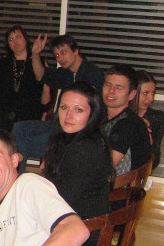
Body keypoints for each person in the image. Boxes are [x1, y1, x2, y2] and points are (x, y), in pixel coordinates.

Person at [12, 33, 104, 172]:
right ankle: (16, 175)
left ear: (76, 51)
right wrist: (35, 54)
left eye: (63, 52)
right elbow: (41, 75)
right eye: (56, 55)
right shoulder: (66, 73)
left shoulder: (92, 73)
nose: (60, 58)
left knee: (24, 142)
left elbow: (96, 112)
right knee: (20, 128)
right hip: (58, 124)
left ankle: (18, 174)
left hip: (76, 130)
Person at [42, 82, 114, 246]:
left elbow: (62, 200)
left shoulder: (83, 150)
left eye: (78, 110)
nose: (69, 116)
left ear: (92, 114)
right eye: (64, 108)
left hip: (81, 233)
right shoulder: (78, 138)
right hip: (75, 221)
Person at [0, 25, 49, 131]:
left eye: (18, 37)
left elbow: (46, 91)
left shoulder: (39, 61)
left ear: (25, 39)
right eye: (11, 39)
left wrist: (44, 113)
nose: (15, 41)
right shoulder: (3, 62)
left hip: (29, 113)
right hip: (3, 112)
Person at [101, 64, 151, 176]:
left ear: (132, 94)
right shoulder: (101, 116)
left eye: (118, 88)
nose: (111, 91)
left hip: (119, 185)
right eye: (108, 85)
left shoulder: (128, 124)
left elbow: (106, 166)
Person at [131, 70, 164, 170]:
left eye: (153, 93)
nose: (150, 98)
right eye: (145, 93)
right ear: (133, 93)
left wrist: (148, 143)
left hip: (138, 172)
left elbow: (155, 160)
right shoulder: (122, 115)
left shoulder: (156, 118)